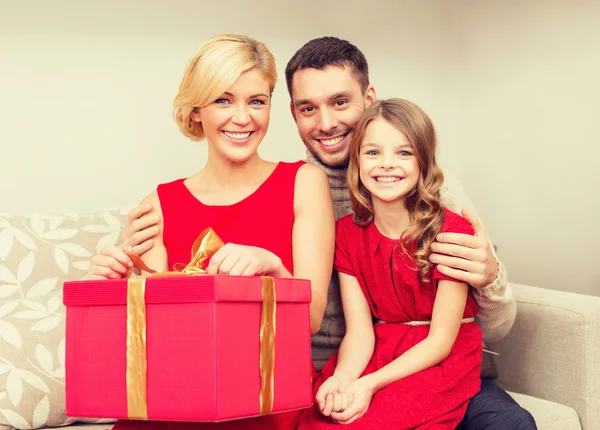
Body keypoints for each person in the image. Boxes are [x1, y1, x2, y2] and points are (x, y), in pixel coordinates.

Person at [121, 37, 536, 429]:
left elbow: (494, 327)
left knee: (509, 424)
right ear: (292, 113)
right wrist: (121, 269)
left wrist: (491, 276)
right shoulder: (321, 199)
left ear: (369, 101)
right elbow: (154, 318)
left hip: (439, 366)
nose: (327, 123)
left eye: (340, 102)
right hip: (348, 366)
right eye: (308, 108)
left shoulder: (431, 192)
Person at [87, 33, 335, 430]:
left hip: (266, 398)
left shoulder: (304, 182)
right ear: (196, 111)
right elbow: (155, 340)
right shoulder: (159, 203)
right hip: (181, 397)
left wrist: (272, 267)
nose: (242, 117)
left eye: (257, 101)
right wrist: (109, 288)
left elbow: (312, 318)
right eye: (223, 100)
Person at [298, 97, 483, 428]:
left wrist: (368, 385)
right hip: (381, 350)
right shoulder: (348, 233)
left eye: (404, 152)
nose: (386, 164)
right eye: (373, 152)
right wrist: (343, 378)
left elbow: (441, 341)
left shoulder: (451, 230)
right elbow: (360, 332)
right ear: (356, 163)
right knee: (321, 418)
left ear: (423, 162)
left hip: (439, 358)